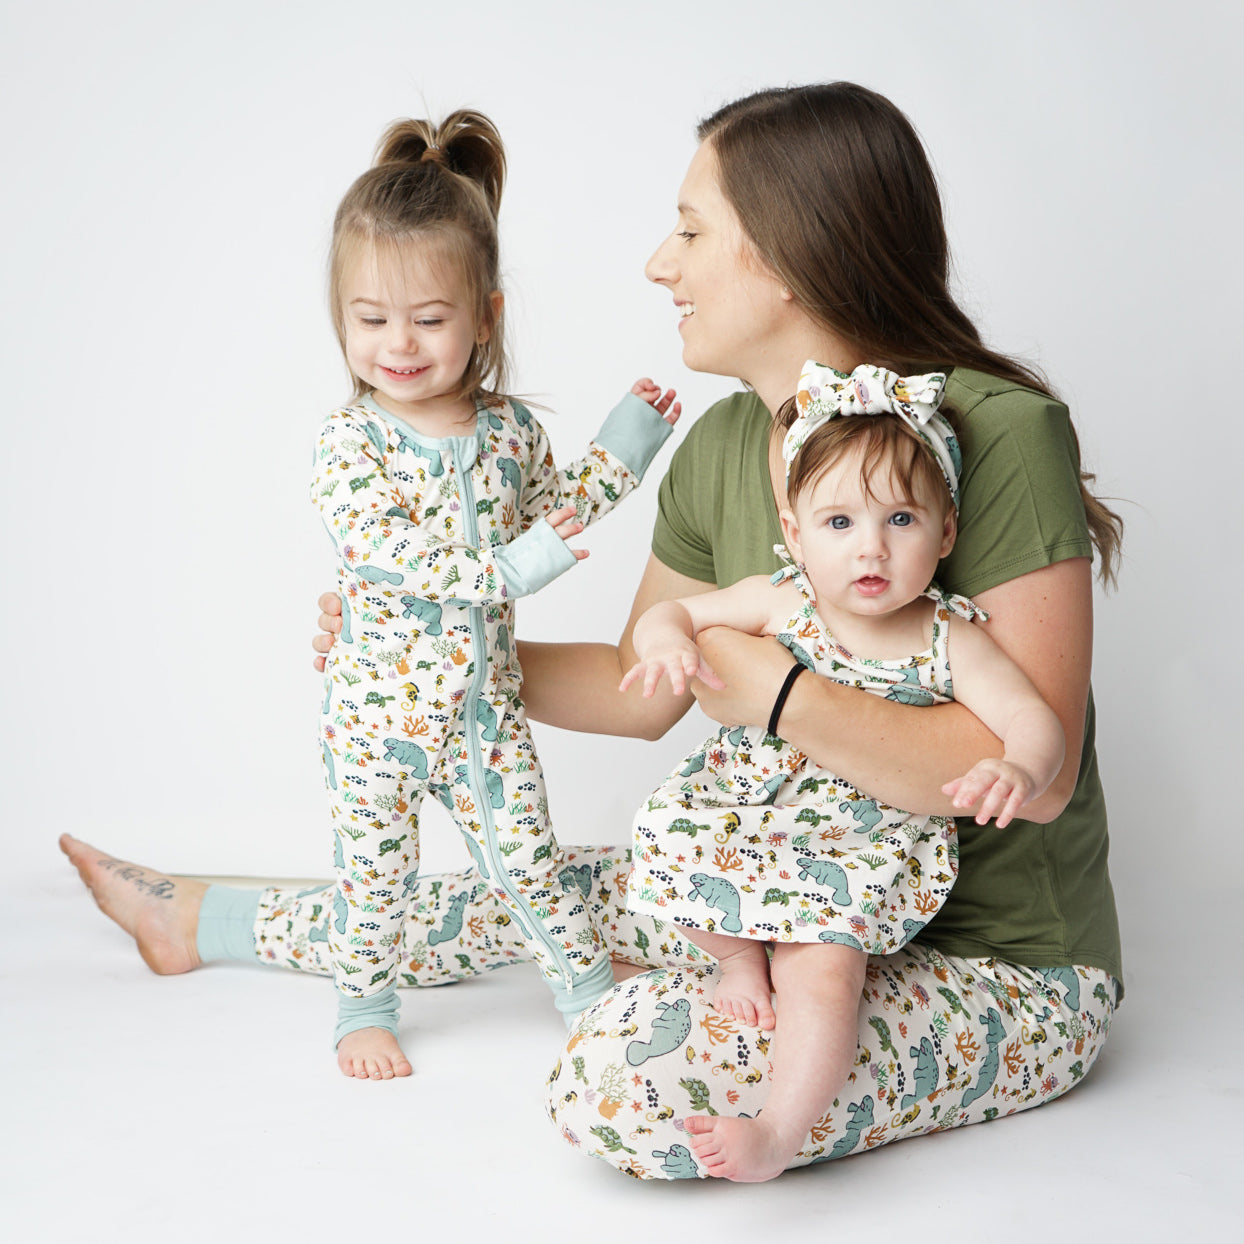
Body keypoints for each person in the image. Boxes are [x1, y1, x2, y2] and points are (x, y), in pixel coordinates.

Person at [60, 81, 1122, 1179]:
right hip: (773, 883)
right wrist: (430, 652)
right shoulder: (717, 446)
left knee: (615, 1081)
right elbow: (640, 683)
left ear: (789, 250)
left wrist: (769, 686)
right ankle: (202, 917)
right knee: (527, 888)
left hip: (996, 959)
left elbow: (1027, 777)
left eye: (690, 231)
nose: (659, 264)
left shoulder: (993, 435)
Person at [617, 359, 1064, 1180]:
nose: (871, 547)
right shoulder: (783, 600)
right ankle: (733, 955)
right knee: (662, 852)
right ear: (793, 533)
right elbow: (669, 612)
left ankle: (779, 1131)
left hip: (851, 848)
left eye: (901, 518)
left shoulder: (948, 636)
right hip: (747, 814)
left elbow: (1035, 718)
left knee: (822, 975)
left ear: (948, 532)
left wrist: (1019, 768)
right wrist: (668, 642)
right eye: (838, 523)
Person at [311, 109, 681, 1077]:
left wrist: (624, 447)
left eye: (429, 318)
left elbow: (551, 511)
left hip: (484, 710)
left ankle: (589, 995)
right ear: (339, 314)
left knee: (529, 861)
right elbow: (390, 551)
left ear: (485, 314)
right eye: (370, 317)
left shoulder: (512, 433)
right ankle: (363, 1005)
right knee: (375, 874)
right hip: (376, 717)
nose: (399, 343)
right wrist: (509, 572)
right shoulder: (352, 444)